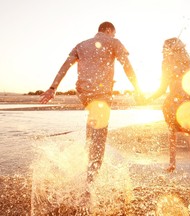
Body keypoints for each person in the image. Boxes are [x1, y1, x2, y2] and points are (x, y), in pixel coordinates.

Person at [40, 21, 143, 186]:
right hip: (101, 95)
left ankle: (83, 170)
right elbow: (127, 66)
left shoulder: (81, 45)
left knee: (92, 129)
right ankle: (89, 190)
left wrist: (53, 88)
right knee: (99, 141)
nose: (114, 36)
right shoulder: (113, 42)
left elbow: (65, 66)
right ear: (109, 30)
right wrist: (137, 88)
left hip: (84, 94)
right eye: (113, 33)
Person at [145, 37, 190, 215]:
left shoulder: (166, 61)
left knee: (172, 128)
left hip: (175, 104)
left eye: (164, 48)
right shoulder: (187, 62)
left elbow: (162, 88)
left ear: (168, 49)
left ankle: (172, 160)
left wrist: (147, 98)